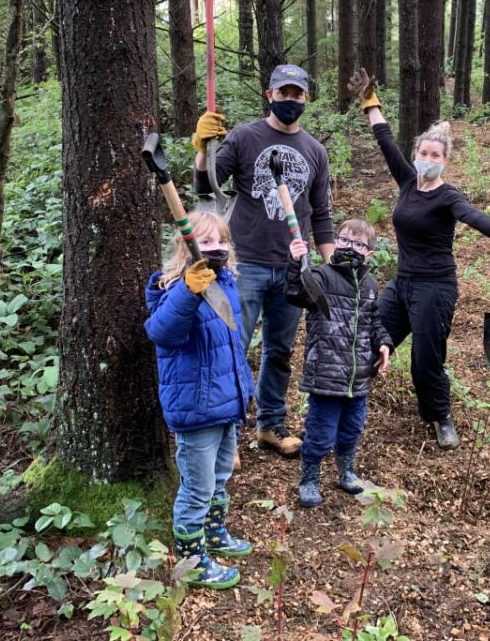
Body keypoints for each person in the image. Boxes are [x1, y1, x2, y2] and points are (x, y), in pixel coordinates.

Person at [347, 69, 490, 449]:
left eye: (435, 155)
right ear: (416, 154)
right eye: (423, 153)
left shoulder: (448, 196)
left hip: (435, 287)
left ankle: (439, 415)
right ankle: (346, 400)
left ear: (445, 160)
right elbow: (384, 141)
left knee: (425, 362)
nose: (427, 159)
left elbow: (474, 217)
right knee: (367, 337)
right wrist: (370, 103)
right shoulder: (407, 182)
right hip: (402, 283)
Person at [192, 64, 336, 458]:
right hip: (246, 263)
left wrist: (333, 269)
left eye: (297, 94)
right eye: (283, 93)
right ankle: (227, 435)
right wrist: (204, 150)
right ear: (270, 95)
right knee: (232, 347)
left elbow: (320, 214)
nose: (290, 100)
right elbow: (206, 188)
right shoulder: (243, 137)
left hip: (292, 268)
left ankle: (270, 425)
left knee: (280, 350)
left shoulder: (315, 151)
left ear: (306, 98)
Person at [145, 211, 255, 590]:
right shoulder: (167, 286)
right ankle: (192, 560)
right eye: (206, 242)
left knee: (221, 477)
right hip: (196, 408)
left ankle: (215, 533)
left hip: (227, 404)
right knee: (198, 486)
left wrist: (246, 389)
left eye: (221, 241)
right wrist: (187, 291)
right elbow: (162, 333)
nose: (216, 248)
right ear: (185, 247)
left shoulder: (226, 282)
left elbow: (232, 346)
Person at [285, 219, 392, 508]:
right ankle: (309, 478)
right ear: (336, 243)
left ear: (369, 252)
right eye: (344, 240)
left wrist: (383, 344)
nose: (350, 247)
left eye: (358, 244)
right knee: (320, 432)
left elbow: (374, 320)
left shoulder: (369, 284)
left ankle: (346, 471)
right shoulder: (321, 275)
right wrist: (295, 263)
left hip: (358, 377)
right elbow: (295, 293)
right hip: (326, 373)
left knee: (351, 429)